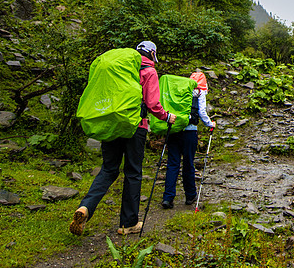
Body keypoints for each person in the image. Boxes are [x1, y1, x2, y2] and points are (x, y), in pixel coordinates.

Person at [70, 40, 176, 236]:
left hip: (112, 123)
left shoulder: (121, 69)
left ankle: (85, 207)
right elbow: (153, 104)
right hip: (136, 127)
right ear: (152, 54)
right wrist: (167, 116)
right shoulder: (149, 71)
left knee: (109, 169)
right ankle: (128, 223)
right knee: (133, 172)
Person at [161, 70, 217, 208]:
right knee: (188, 163)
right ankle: (190, 195)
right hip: (190, 131)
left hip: (175, 129)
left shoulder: (181, 89)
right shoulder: (200, 92)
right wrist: (210, 124)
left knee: (173, 163)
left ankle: (168, 198)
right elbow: (202, 112)